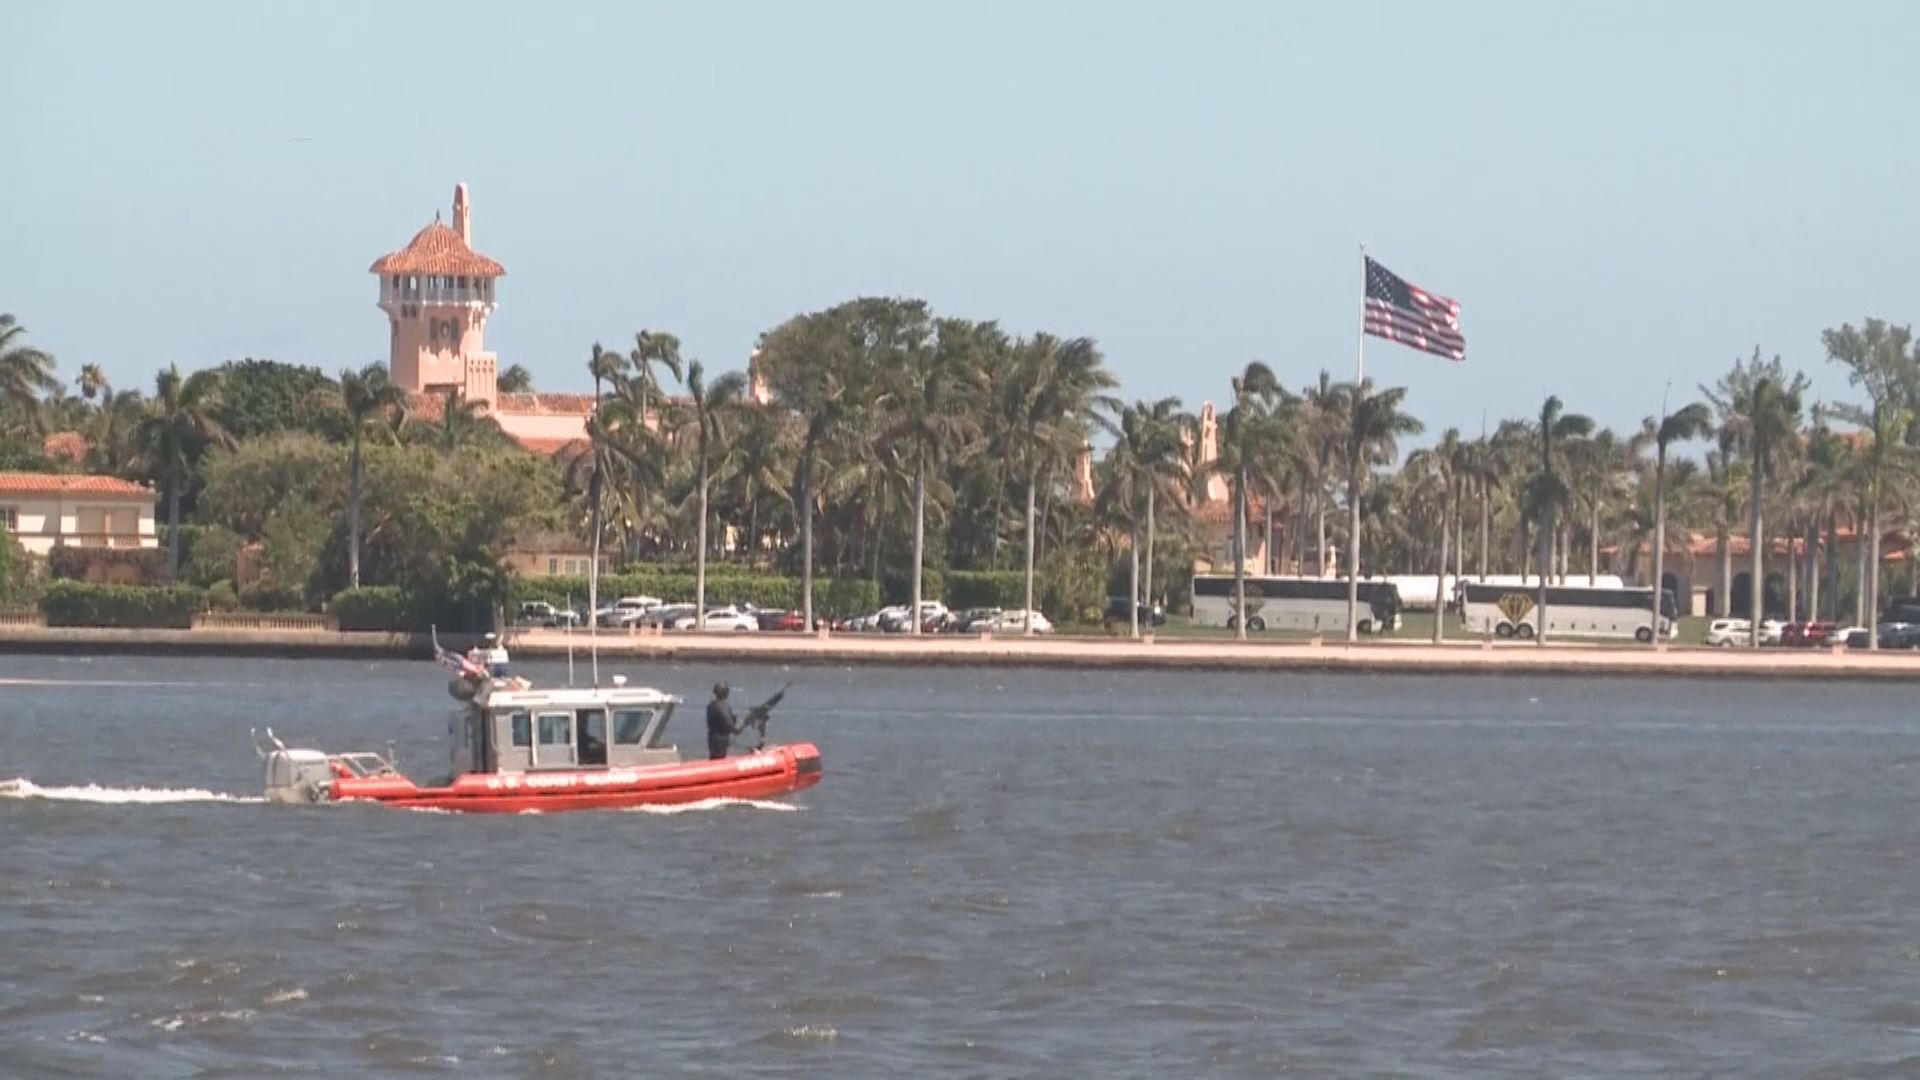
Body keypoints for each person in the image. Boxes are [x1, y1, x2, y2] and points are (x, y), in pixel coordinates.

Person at [706, 682, 740, 760]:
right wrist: (741, 725)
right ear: (726, 693)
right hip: (720, 740)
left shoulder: (711, 705)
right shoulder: (722, 706)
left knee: (713, 759)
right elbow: (731, 726)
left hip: (712, 738)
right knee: (719, 760)